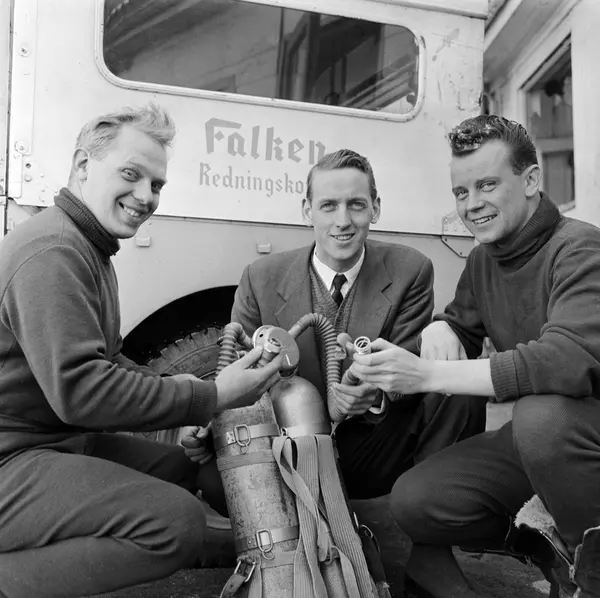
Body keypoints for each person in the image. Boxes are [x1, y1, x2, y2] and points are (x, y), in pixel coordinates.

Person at [0, 104, 282, 598]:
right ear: (83, 165)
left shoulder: (87, 245)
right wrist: (212, 396)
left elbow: (108, 362)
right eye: (131, 175)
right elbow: (82, 393)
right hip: (12, 457)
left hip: (51, 440)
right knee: (174, 524)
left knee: (190, 468)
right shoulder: (55, 252)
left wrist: (194, 396)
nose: (146, 196)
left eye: (156, 184)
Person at [349, 115, 600, 598]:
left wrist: (429, 374)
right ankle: (555, 548)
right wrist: (434, 332)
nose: (472, 204)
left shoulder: (580, 248)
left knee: (539, 416)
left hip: (579, 435)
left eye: (487, 185)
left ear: (531, 180)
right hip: (545, 445)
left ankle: (593, 579)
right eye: (461, 192)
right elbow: (460, 329)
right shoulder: (485, 259)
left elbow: (566, 360)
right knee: (416, 500)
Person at [184, 148, 485, 504]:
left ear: (375, 208)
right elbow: (239, 376)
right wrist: (206, 423)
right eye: (328, 206)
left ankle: (426, 513)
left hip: (372, 445)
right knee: (212, 479)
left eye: (356, 205)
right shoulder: (260, 277)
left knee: (459, 387)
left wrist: (375, 396)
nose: (343, 221)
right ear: (307, 210)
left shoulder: (411, 269)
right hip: (289, 445)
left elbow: (412, 373)